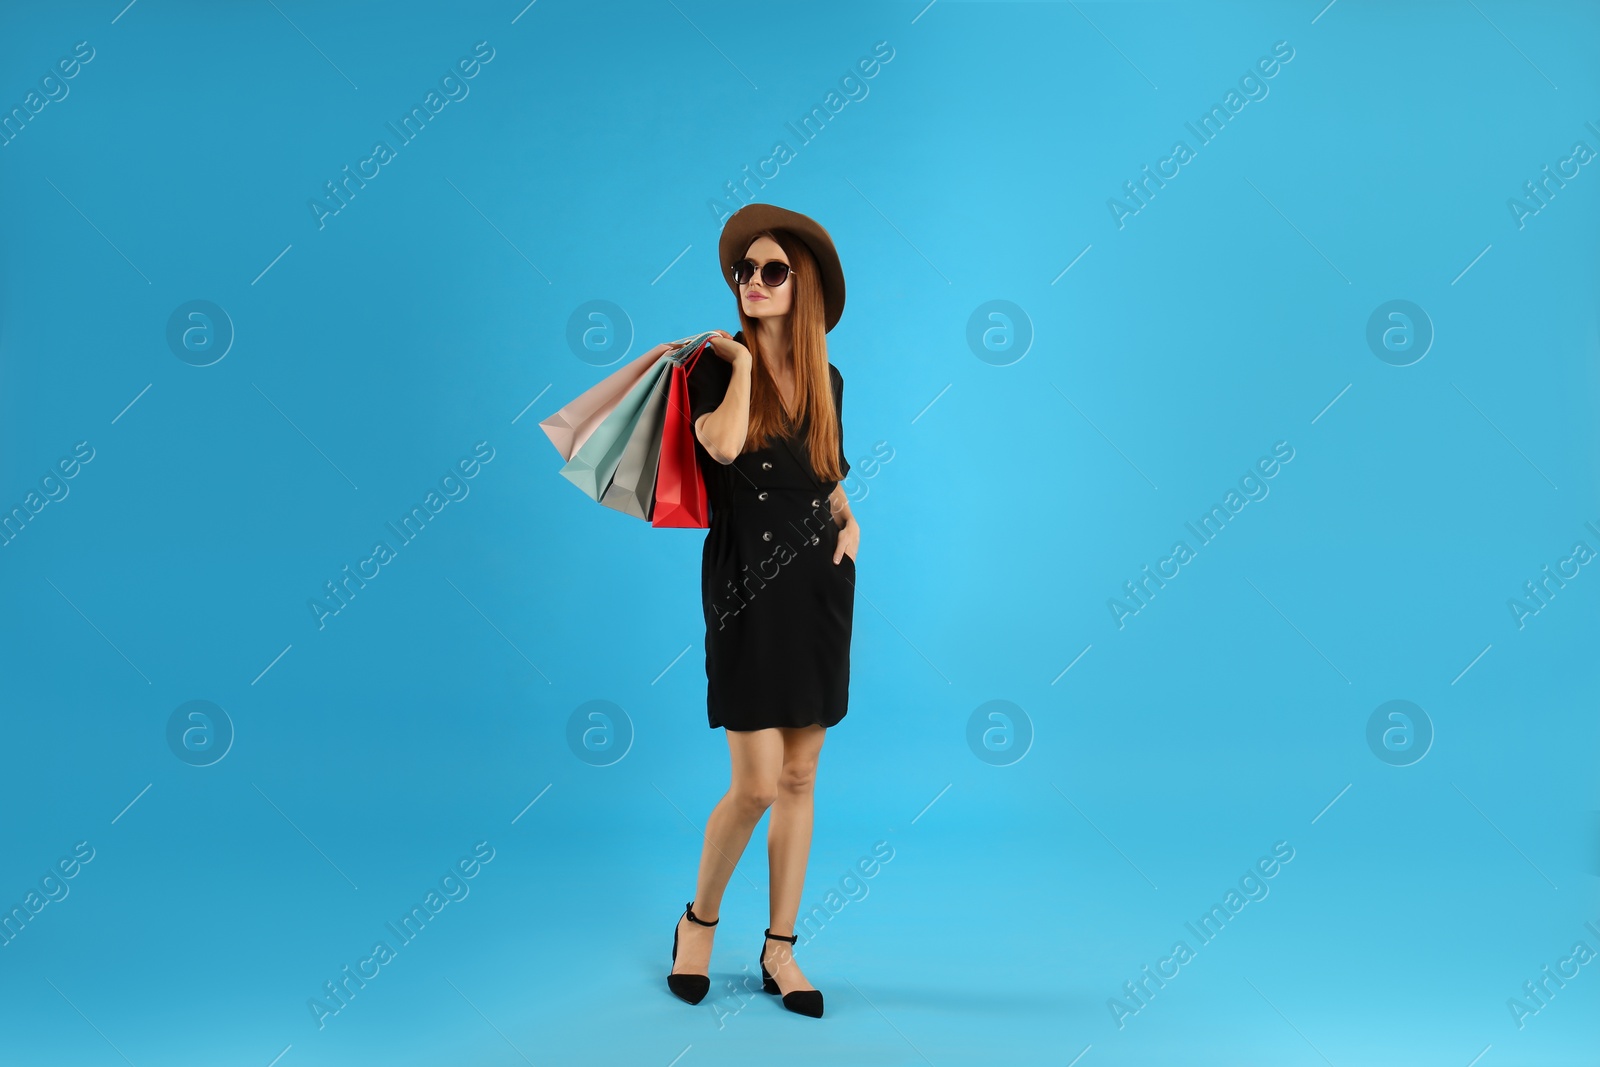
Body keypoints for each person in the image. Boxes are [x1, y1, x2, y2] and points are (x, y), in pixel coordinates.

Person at [664, 204, 858, 1019]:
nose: (754, 281)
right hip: (746, 582)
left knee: (802, 774)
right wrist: (742, 366)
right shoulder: (716, 368)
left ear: (802, 282)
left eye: (772, 269)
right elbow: (720, 448)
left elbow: (825, 470)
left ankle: (782, 949)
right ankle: (698, 921)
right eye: (745, 270)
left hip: (819, 582)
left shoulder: (829, 378)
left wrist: (851, 517)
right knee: (753, 783)